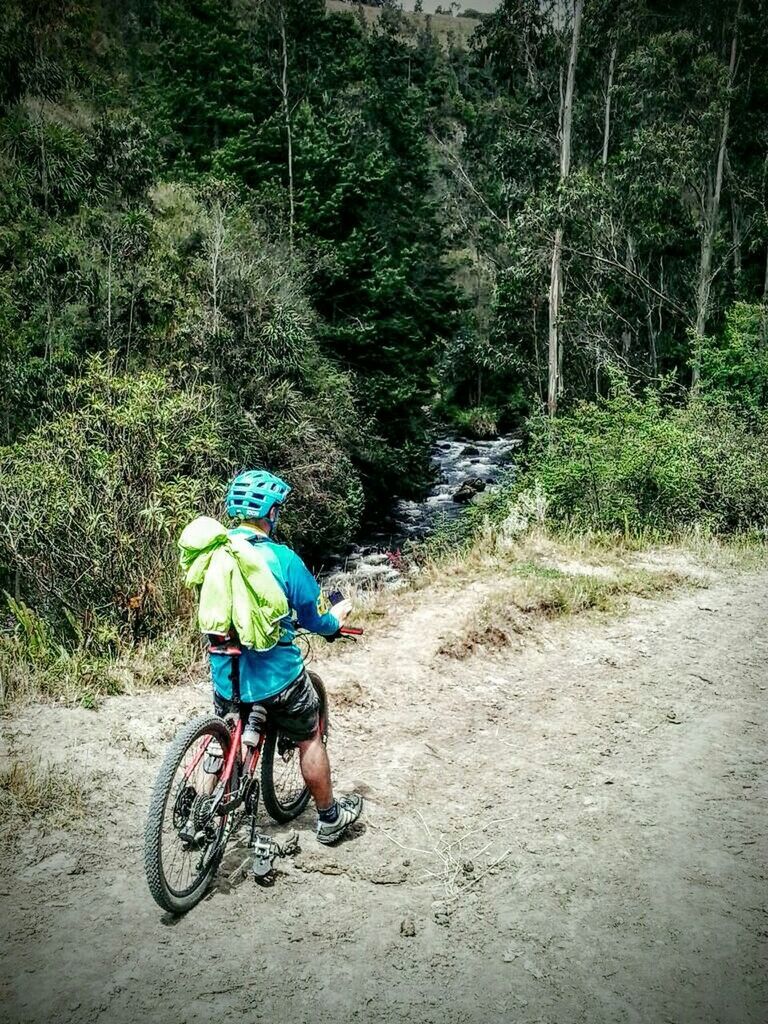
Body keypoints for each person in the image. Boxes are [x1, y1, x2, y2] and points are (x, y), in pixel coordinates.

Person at [209, 468, 363, 845]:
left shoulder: (214, 554)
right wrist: (335, 621)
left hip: (225, 670)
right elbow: (314, 618)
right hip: (277, 677)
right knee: (310, 736)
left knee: (224, 735)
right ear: (271, 512)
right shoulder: (282, 559)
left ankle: (203, 807)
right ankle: (329, 820)